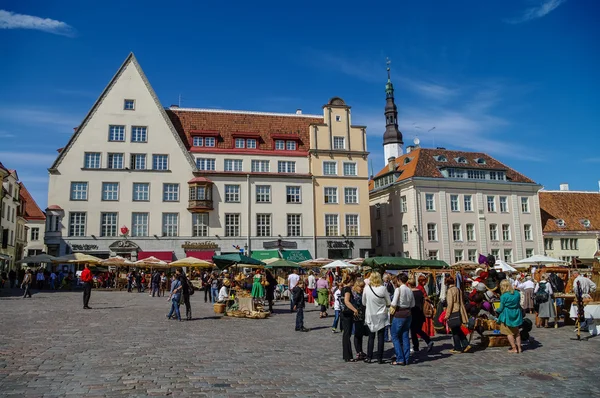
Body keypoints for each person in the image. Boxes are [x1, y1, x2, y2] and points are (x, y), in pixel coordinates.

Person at [362, 272, 391, 364]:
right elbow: (388, 302)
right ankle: (380, 358)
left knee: (371, 337)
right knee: (381, 337)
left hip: (371, 314)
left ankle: (369, 357)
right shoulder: (383, 288)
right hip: (381, 314)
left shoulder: (366, 289)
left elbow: (363, 302)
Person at [390, 274, 414, 366]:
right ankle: (406, 358)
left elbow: (394, 303)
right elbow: (412, 304)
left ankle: (400, 358)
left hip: (399, 314)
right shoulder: (409, 290)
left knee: (394, 335)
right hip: (408, 314)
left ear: (399, 280)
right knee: (405, 336)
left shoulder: (398, 290)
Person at [444, 275, 470, 354]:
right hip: (460, 310)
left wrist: (447, 314)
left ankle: (458, 347)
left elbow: (450, 303)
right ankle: (464, 344)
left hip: (453, 311)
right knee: (457, 329)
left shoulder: (450, 291)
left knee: (454, 330)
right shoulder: (458, 289)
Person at [497, 279, 524, 353]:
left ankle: (514, 348)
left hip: (508, 315)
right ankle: (519, 347)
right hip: (516, 313)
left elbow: (501, 308)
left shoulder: (504, 296)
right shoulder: (517, 293)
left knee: (509, 333)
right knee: (517, 332)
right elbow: (518, 304)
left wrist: (496, 310)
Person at [408, 278, 434, 353]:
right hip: (420, 313)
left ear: (409, 284)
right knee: (418, 329)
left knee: (414, 331)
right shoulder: (420, 292)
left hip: (413, 313)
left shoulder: (410, 292)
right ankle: (427, 341)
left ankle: (417, 346)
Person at [341, 273, 360, 362]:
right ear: (351, 280)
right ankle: (348, 355)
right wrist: (355, 310)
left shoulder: (343, 288)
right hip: (347, 313)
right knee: (347, 334)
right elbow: (346, 301)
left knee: (346, 334)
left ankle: (347, 355)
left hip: (343, 313)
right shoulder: (347, 289)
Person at [352, 281, 367, 361]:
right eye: (360, 287)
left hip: (362, 316)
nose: (362, 289)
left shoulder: (360, 294)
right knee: (357, 334)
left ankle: (360, 351)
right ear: (356, 286)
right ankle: (358, 352)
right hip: (356, 316)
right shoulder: (354, 295)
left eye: (363, 287)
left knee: (360, 334)